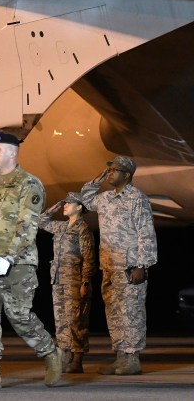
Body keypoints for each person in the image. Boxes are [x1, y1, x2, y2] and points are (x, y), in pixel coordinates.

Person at [0, 131, 61, 390]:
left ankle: (51, 354)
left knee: (18, 315)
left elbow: (27, 226)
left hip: (17, 262)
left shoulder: (29, 184)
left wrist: (8, 257)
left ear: (12, 152)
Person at [81, 155, 157, 375]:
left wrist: (142, 265)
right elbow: (86, 199)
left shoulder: (136, 198)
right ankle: (121, 356)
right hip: (109, 265)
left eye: (114, 170)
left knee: (131, 311)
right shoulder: (105, 198)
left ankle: (132, 358)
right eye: (110, 170)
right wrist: (99, 178)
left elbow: (146, 233)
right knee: (114, 311)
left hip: (129, 266)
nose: (111, 173)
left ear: (127, 174)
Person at [40, 192, 96, 373]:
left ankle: (78, 358)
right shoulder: (61, 227)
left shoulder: (83, 229)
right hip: (57, 280)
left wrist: (86, 282)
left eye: (69, 203)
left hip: (75, 280)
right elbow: (41, 222)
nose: (65, 205)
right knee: (61, 320)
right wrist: (51, 210)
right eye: (64, 203)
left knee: (76, 319)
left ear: (79, 207)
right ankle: (65, 356)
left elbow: (89, 257)